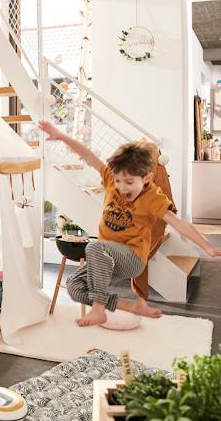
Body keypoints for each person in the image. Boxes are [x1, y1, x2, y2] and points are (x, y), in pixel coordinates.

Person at [39, 120, 221, 327]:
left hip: (132, 258)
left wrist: (207, 246)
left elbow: (178, 224)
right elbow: (88, 156)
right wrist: (61, 136)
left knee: (95, 246)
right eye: (118, 181)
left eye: (129, 183)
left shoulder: (152, 196)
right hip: (108, 258)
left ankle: (99, 310)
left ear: (147, 178)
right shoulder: (111, 179)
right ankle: (130, 305)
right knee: (74, 286)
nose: (122, 187)